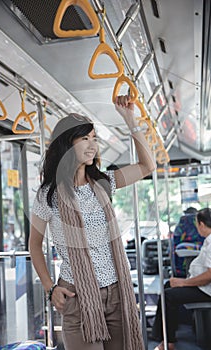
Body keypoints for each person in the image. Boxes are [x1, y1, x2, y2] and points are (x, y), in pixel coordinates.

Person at [29, 95, 156, 350]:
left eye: (94, 138)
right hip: (76, 296)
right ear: (67, 145)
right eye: (85, 138)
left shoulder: (103, 182)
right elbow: (35, 245)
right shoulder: (48, 194)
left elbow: (147, 165)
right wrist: (49, 288)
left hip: (116, 293)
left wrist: (130, 121)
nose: (92, 145)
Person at [152, 208, 211, 350]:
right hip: (203, 286)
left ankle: (168, 342)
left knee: (169, 296)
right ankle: (163, 334)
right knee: (167, 286)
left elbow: (209, 276)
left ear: (202, 224)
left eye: (197, 224)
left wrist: (182, 283)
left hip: (206, 290)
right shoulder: (207, 241)